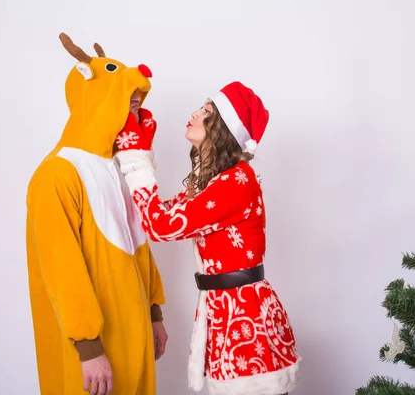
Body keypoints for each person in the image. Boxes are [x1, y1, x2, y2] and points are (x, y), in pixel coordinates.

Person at [114, 81, 301, 395]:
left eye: (206, 112)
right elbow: (157, 214)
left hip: (245, 319)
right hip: (224, 312)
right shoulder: (215, 182)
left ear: (223, 129)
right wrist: (138, 145)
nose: (194, 114)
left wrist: (135, 159)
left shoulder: (237, 181)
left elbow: (160, 226)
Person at [25, 33, 167, 395]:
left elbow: (139, 242)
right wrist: (88, 347)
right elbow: (61, 267)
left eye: (136, 102)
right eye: (126, 98)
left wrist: (154, 313)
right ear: (95, 95)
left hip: (134, 335)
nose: (135, 107)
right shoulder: (57, 174)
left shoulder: (120, 166)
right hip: (94, 354)